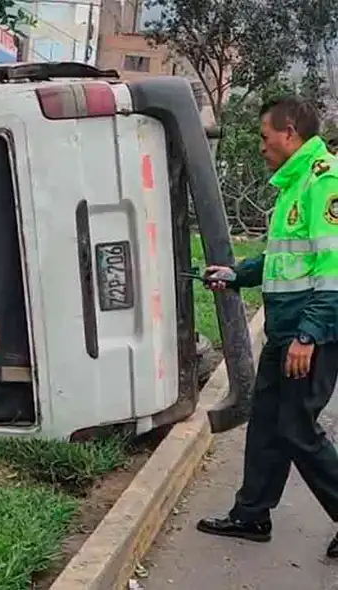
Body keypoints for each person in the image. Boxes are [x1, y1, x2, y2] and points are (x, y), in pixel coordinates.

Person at [197, 96, 338, 556]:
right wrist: (237, 275)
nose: (261, 146)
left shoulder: (324, 181)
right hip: (286, 329)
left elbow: (334, 269)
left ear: (289, 132)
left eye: (264, 136)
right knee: (267, 424)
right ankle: (251, 513)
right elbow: (284, 260)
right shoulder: (295, 185)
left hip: (310, 333)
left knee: (296, 427)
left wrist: (309, 335)